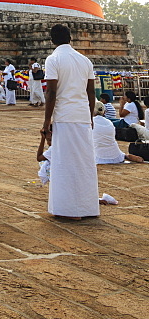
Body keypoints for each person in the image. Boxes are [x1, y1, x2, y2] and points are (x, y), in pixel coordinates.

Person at [42, 23, 99, 219]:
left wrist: (46, 122)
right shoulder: (85, 61)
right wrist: (90, 116)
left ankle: (68, 209)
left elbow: (51, 93)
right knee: (84, 162)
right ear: (70, 38)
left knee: (65, 163)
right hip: (82, 116)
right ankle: (87, 207)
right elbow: (91, 92)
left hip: (64, 117)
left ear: (52, 40)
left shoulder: (53, 59)